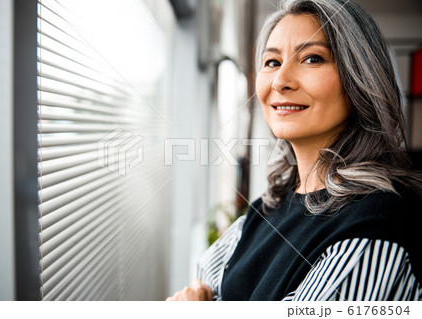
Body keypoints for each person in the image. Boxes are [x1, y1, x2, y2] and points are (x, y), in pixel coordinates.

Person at [166, 0, 422, 301]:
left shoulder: (374, 226)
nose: (280, 81)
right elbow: (204, 285)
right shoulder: (269, 206)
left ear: (360, 78)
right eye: (272, 62)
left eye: (312, 59)